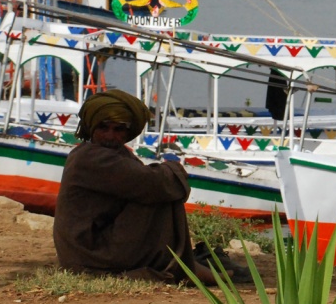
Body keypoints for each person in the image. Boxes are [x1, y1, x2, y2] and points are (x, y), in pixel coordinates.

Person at [53, 89, 218, 285]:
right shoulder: (90, 157)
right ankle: (182, 266)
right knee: (162, 191)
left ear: (128, 132)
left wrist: (167, 175)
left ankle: (182, 264)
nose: (110, 135)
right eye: (103, 127)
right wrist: (174, 168)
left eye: (118, 129)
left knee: (161, 189)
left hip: (91, 250)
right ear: (91, 127)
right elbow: (152, 183)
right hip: (90, 254)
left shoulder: (116, 154)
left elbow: (145, 181)